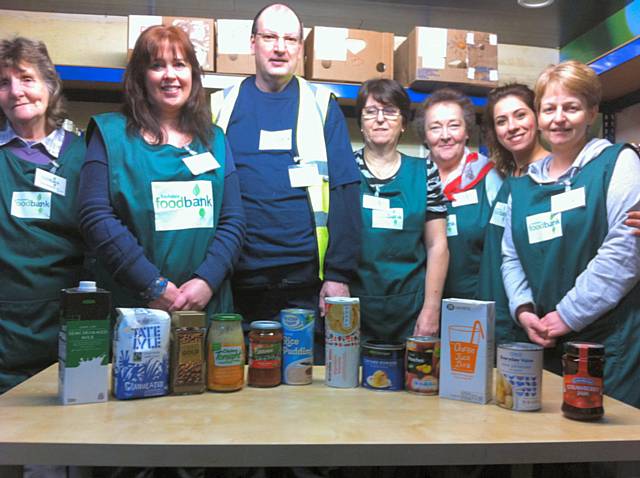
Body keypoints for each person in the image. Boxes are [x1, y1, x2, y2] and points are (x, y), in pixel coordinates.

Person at [210, 3, 361, 359]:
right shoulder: (219, 107)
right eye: (270, 37)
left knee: (304, 398)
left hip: (304, 287)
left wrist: (338, 273)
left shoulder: (322, 104)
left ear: (300, 48)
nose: (280, 47)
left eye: (290, 39)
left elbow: (344, 190)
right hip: (237, 285)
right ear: (252, 44)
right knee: (234, 394)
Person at [78, 25, 244, 315]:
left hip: (205, 306)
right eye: (157, 65)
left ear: (193, 73)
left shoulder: (215, 140)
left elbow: (233, 220)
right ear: (141, 76)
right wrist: (151, 285)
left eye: (180, 64)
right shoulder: (110, 135)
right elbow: (95, 216)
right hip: (133, 308)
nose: (170, 75)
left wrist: (207, 280)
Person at [502, 60, 640, 407]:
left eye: (571, 107)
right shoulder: (522, 185)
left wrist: (567, 315)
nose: (558, 118)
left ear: (592, 112)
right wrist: (523, 310)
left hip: (606, 343)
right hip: (544, 338)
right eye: (549, 108)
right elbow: (511, 256)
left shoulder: (617, 163)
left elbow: (624, 251)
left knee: (604, 450)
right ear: (538, 116)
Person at [0, 37, 86, 394]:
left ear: (50, 85)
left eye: (26, 78)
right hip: (6, 332)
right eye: (4, 82)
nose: (16, 91)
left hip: (71, 322)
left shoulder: (86, 154)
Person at [351, 78, 448, 342]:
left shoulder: (425, 171)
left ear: (404, 122)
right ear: (360, 122)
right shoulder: (344, 169)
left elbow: (437, 245)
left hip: (411, 309)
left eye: (390, 111)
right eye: (370, 112)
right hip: (353, 308)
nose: (380, 119)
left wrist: (431, 309)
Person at [416, 88, 502, 305]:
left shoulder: (490, 178)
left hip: (476, 305)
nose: (445, 135)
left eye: (454, 125)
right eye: (435, 128)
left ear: (467, 131)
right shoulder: (413, 178)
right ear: (425, 136)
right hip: (417, 307)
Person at [478, 84, 549, 345]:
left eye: (520, 115)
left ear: (537, 117)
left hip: (532, 317)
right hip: (497, 312)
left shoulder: (553, 176)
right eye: (501, 121)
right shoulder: (508, 178)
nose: (512, 126)